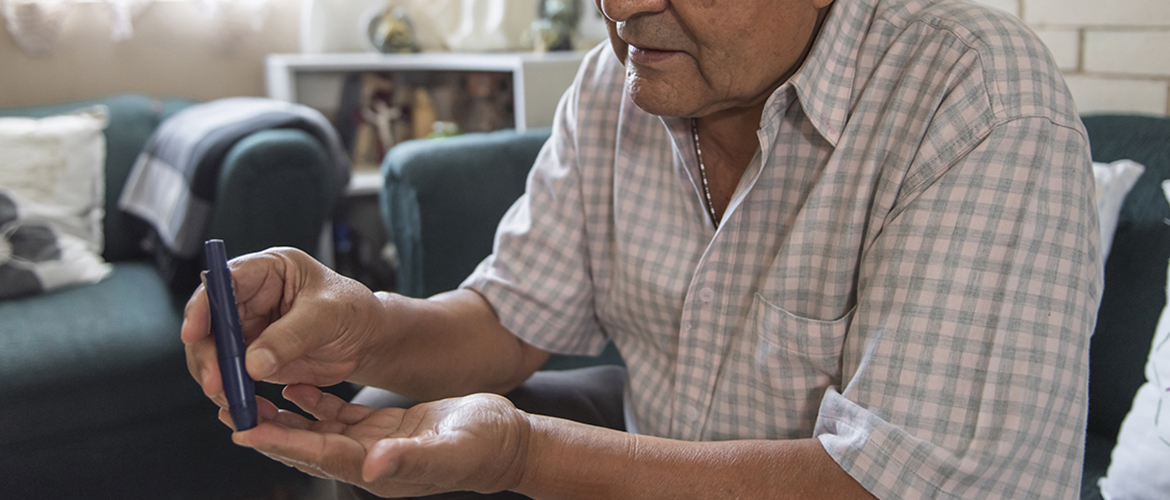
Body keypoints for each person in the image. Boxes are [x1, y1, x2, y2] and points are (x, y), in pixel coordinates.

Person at [182, 0, 1100, 497]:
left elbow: (901, 490)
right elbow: (509, 318)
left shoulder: (972, 95)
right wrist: (363, 322)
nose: (620, 7)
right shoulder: (618, 84)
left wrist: (525, 459)